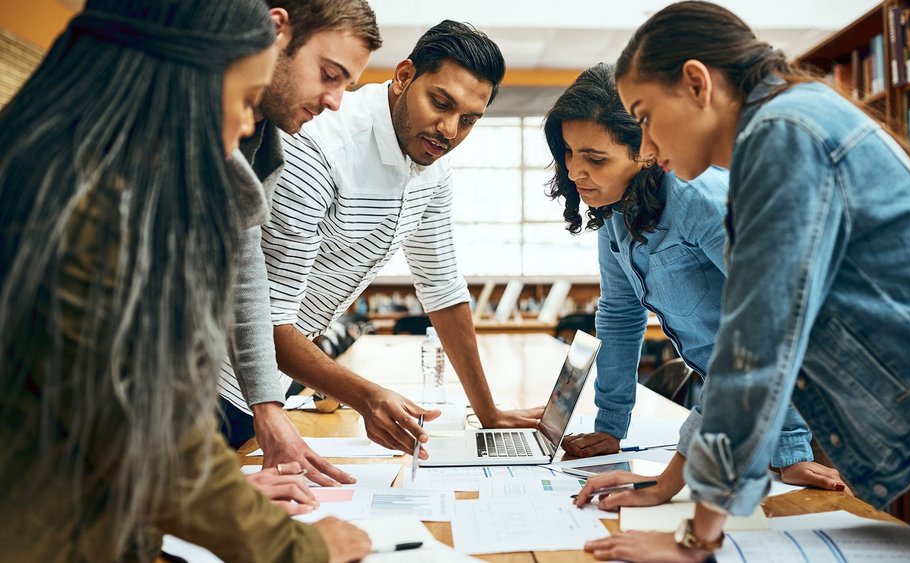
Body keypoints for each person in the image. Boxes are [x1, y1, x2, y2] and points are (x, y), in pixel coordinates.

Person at [576, 2, 910, 561]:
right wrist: (669, 484)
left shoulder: (784, 138)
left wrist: (696, 536)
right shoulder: (787, 126)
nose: (648, 148)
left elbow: (757, 345)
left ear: (697, 84)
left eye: (646, 117)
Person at [0, 1, 369, 561]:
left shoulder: (63, 174)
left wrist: (212, 497)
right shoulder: (90, 216)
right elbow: (150, 435)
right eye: (244, 101)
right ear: (179, 80)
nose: (245, 127)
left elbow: (96, 428)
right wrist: (300, 548)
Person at [229, 20, 543, 458]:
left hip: (273, 388)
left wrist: (489, 412)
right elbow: (267, 316)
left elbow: (442, 286)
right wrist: (366, 396)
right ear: (403, 76)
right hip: (220, 380)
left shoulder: (433, 166)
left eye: (468, 120)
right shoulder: (320, 147)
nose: (449, 130)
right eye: (440, 103)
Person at [547, 63, 844, 498]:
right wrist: (609, 428)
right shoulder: (616, 212)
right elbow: (620, 315)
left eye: (595, 158)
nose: (574, 172)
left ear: (647, 149)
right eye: (569, 152)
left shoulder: (701, 199)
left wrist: (791, 449)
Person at [217, 0, 384, 490]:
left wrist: (267, 407)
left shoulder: (261, 141)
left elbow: (245, 274)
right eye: (328, 75)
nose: (335, 102)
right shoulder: (186, 130)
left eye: (346, 85)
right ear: (277, 32)